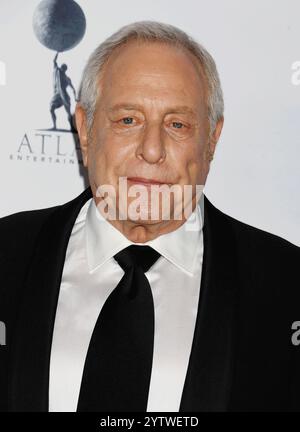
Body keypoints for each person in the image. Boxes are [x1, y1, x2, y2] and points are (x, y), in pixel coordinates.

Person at [0, 21, 299, 412]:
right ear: (85, 131)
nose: (153, 150)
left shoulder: (287, 283)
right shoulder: (7, 254)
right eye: (128, 120)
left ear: (211, 141)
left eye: (177, 124)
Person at [50, 52, 77, 132]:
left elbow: (73, 88)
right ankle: (54, 126)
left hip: (64, 95)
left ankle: (71, 128)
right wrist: (57, 52)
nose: (62, 69)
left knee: (68, 113)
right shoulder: (58, 72)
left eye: (63, 68)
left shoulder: (66, 78)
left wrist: (75, 98)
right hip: (57, 95)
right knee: (51, 109)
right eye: (62, 67)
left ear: (65, 70)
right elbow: (54, 61)